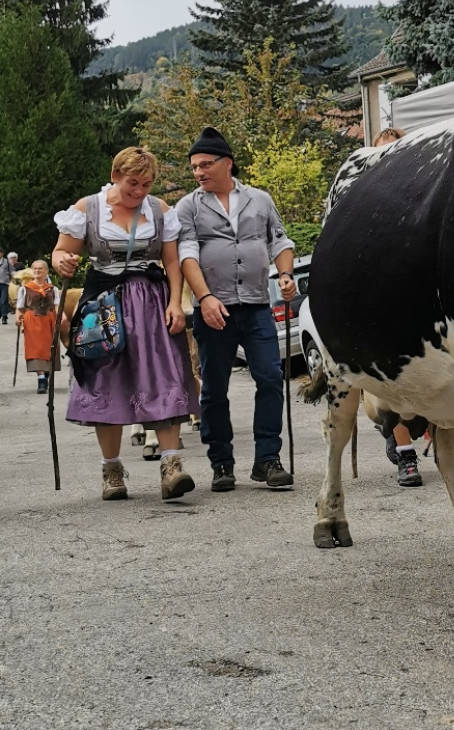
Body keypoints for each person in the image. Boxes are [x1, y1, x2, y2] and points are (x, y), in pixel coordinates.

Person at [51, 146, 199, 502]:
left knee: (164, 376)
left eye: (146, 184)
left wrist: (176, 304)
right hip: (104, 306)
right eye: (133, 183)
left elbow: (172, 262)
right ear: (116, 175)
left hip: (151, 304)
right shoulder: (88, 209)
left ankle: (171, 466)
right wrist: (62, 262)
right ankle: (112, 470)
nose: (139, 192)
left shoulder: (160, 211)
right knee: (106, 382)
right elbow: (60, 251)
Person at [177, 127, 295, 492]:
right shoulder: (189, 206)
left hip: (257, 305)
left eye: (204, 165)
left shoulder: (259, 199)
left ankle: (267, 460)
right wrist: (206, 297)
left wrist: (286, 274)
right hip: (214, 309)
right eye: (194, 167)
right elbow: (187, 254)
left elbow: (279, 239)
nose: (198, 172)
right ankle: (221, 463)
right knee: (214, 388)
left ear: (226, 163)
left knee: (271, 378)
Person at [369, 125, 424, 485]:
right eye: (383, 151)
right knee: (392, 385)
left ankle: (407, 436)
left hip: (421, 299)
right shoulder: (367, 196)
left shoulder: (424, 190)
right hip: (383, 303)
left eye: (397, 148)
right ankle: (406, 455)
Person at [14, 260, 63, 394]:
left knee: (49, 349)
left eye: (40, 268)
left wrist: (61, 316)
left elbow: (57, 306)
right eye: (35, 268)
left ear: (46, 271)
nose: (37, 271)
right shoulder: (25, 288)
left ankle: (45, 373)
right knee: (36, 349)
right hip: (32, 321)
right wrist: (18, 318)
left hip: (49, 320)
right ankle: (41, 379)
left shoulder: (53, 289)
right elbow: (20, 307)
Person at [0, 250, 12, 324]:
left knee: (3, 300)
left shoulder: (7, 262)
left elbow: (12, 271)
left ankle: (4, 316)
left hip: (4, 284)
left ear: (2, 253)